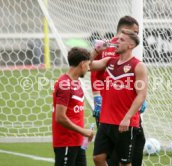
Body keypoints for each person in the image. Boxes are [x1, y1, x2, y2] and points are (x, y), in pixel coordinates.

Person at [91, 16, 146, 166]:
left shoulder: (138, 66)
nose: (116, 41)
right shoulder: (108, 61)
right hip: (106, 120)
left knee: (124, 163)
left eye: (121, 40)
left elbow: (141, 95)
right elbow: (86, 66)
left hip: (125, 122)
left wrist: (128, 117)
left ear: (130, 45)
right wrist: (95, 51)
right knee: (98, 158)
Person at [52, 47, 94, 166]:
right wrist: (83, 131)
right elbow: (60, 117)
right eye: (88, 64)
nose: (89, 68)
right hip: (66, 142)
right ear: (82, 64)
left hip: (77, 142)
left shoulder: (76, 81)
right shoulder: (65, 84)